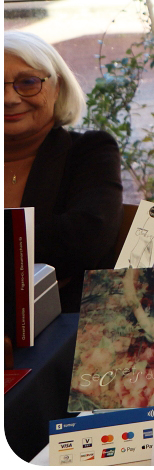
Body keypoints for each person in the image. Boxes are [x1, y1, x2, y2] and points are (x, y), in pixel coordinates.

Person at [4, 29, 123, 312]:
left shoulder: (90, 151)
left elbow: (85, 241)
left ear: (57, 88)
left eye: (28, 82)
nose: (9, 98)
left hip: (63, 332)